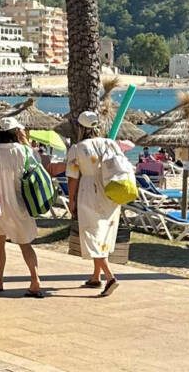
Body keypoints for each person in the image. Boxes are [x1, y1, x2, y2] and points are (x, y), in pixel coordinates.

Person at [0, 117, 43, 298]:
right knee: (25, 243)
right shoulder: (24, 151)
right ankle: (35, 279)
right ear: (15, 132)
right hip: (21, 202)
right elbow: (38, 166)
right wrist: (25, 140)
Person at [66, 110, 122, 298]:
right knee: (104, 233)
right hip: (111, 191)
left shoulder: (78, 148)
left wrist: (71, 199)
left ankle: (110, 276)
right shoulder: (111, 144)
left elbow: (73, 176)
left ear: (81, 127)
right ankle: (96, 275)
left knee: (91, 233)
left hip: (89, 190)